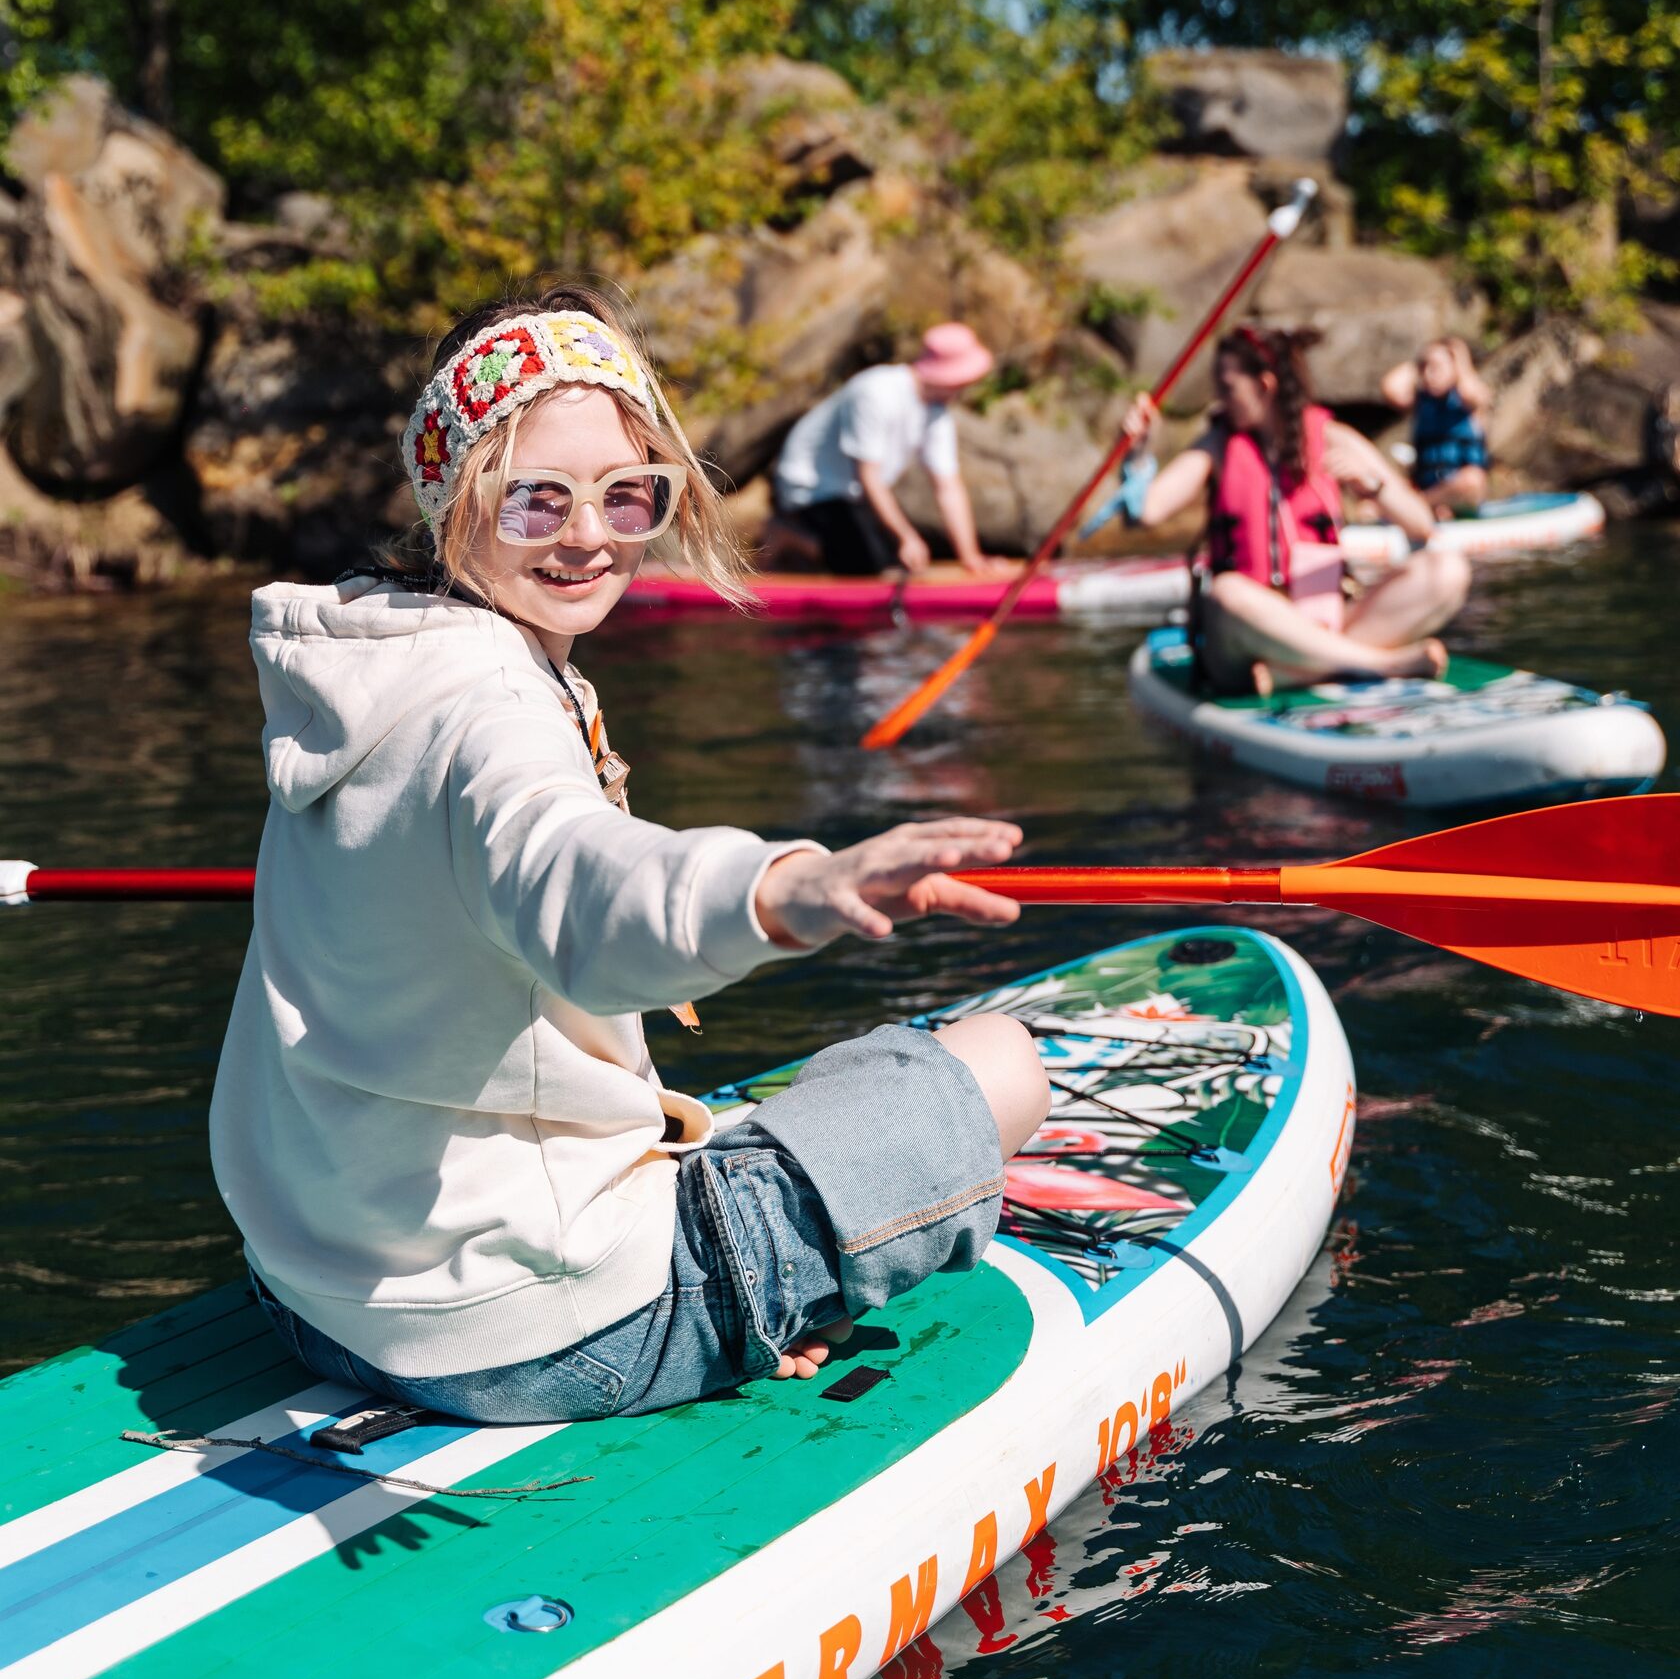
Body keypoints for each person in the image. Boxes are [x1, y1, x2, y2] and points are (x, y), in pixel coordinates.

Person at [210, 283, 1044, 1427]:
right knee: (997, 1061)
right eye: (535, 502)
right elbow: (580, 883)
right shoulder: (493, 708)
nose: (589, 534)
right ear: (454, 502)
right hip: (543, 1332)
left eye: (625, 494)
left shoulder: (361, 673)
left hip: (310, 1288)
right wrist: (793, 883)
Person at [1120, 322, 1470, 695]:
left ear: (1264, 385)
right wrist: (1139, 453)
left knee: (1448, 569)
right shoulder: (1218, 446)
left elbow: (1422, 526)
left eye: (1227, 387)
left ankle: (1299, 673)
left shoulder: (1332, 438)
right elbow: (1144, 513)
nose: (1220, 398)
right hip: (1242, 641)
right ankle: (1377, 663)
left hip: (1325, 623)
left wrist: (1374, 487)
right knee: (1226, 593)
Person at [763, 323, 998, 576]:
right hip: (811, 485)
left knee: (893, 559)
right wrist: (906, 536)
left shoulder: (937, 413)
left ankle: (818, 550)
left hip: (853, 493)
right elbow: (868, 475)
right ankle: (785, 535)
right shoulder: (876, 392)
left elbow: (948, 487)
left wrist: (970, 556)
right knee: (867, 565)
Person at [1380, 336, 1491, 518]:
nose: (1430, 373)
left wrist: (1460, 359)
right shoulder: (1421, 401)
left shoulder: (1469, 401)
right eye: (1425, 367)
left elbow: (1473, 392)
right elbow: (1390, 388)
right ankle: (1432, 508)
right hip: (1426, 484)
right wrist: (1419, 361)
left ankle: (1420, 505)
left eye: (1437, 367)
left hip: (1460, 493)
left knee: (1473, 479)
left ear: (1456, 367)